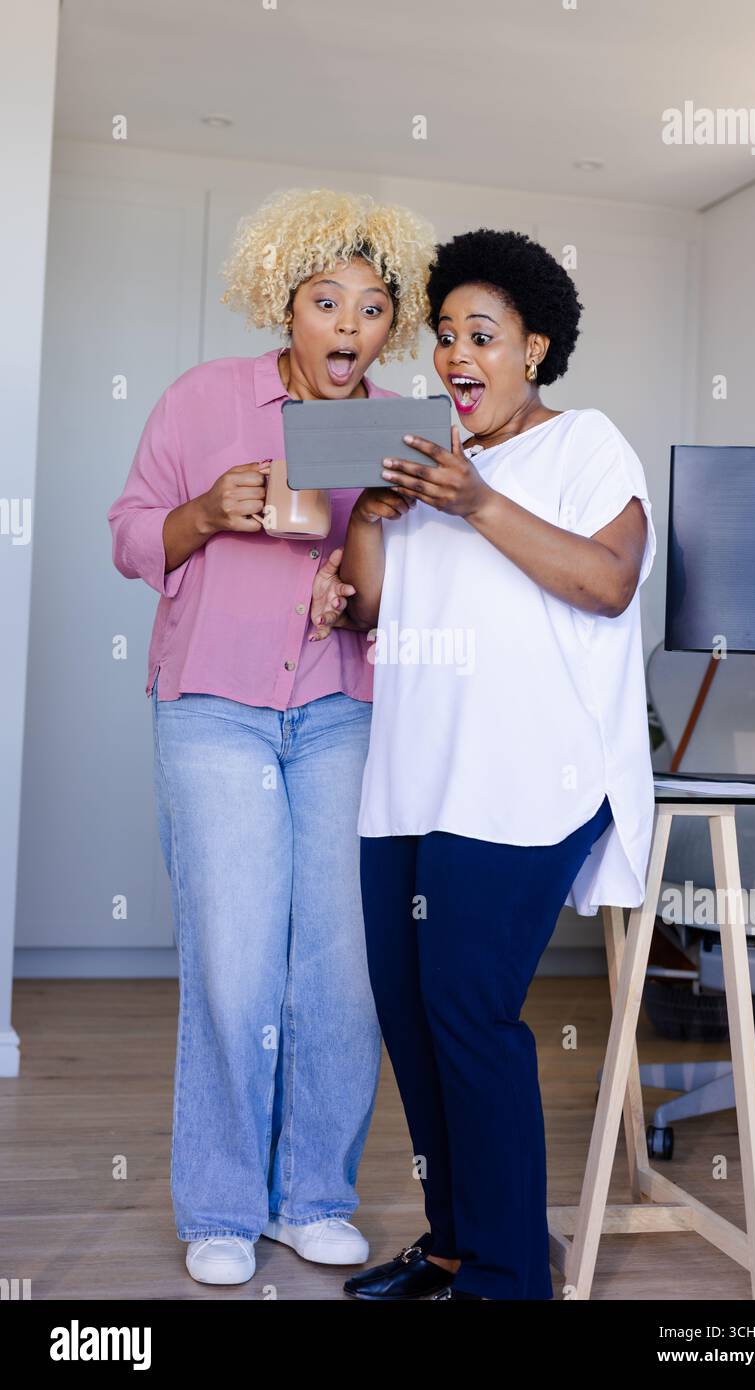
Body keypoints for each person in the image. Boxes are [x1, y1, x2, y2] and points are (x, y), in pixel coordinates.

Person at [106, 188, 435, 1286]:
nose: (347, 325)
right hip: (212, 712)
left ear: (393, 322)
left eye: (372, 306)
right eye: (325, 300)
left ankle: (313, 1196)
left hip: (342, 709)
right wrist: (204, 512)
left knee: (338, 969)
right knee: (235, 965)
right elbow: (127, 532)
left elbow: (415, 581)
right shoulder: (203, 399)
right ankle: (219, 1204)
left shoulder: (396, 434)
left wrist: (356, 585)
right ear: (283, 302)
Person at [338, 227, 657, 1300]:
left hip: (527, 781)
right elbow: (371, 613)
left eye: (481, 334)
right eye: (442, 337)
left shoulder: (584, 446)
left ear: (534, 346)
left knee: (468, 1012)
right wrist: (376, 522)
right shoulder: (430, 462)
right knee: (410, 1014)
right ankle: (448, 1244)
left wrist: (473, 503)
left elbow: (607, 582)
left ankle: (511, 1274)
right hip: (412, 783)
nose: (454, 355)